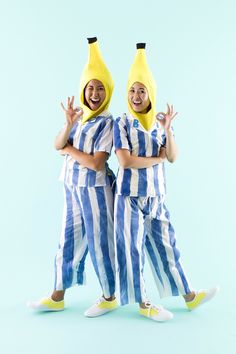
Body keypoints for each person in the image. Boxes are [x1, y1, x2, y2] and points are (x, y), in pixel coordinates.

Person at [113, 43, 218, 322]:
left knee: (167, 246)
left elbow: (172, 156)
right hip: (129, 197)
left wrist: (169, 130)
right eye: (132, 91)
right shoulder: (122, 123)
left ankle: (189, 296)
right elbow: (125, 161)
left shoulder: (159, 125)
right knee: (132, 249)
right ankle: (144, 302)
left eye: (141, 90)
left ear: (151, 93)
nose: (136, 96)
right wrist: (155, 160)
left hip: (157, 197)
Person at [28, 37, 118, 317]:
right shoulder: (77, 117)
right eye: (91, 87)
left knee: (100, 242)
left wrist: (69, 149)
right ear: (83, 89)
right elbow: (56, 144)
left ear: (108, 93)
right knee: (67, 241)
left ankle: (110, 295)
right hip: (70, 188)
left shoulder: (108, 123)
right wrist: (68, 125)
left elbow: (96, 164)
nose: (95, 92)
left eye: (100, 88)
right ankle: (57, 295)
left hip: (96, 191)